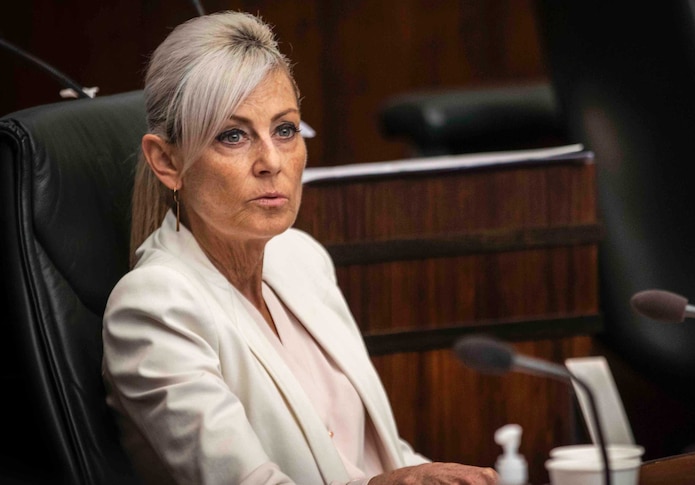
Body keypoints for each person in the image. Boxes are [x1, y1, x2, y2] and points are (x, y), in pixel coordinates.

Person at [101, 10, 497, 485]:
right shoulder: (154, 308)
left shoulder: (301, 257)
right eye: (233, 136)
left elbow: (376, 454)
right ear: (167, 161)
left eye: (285, 129)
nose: (271, 161)